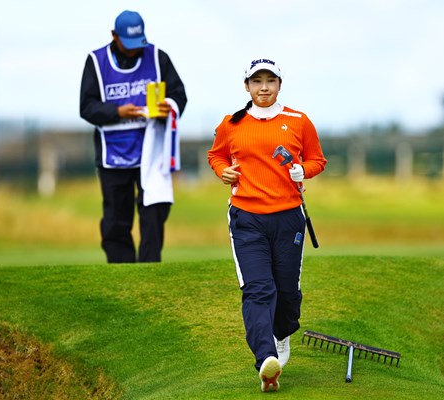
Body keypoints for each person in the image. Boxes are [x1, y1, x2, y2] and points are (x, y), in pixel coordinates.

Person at [207, 58, 327, 392]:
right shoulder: (232, 123)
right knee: (259, 289)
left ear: (279, 85)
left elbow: (318, 159)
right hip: (247, 218)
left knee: (287, 293)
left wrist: (305, 170)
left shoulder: (299, 121)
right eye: (256, 81)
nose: (263, 87)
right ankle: (265, 359)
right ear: (246, 86)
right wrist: (222, 171)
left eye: (270, 81)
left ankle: (282, 333)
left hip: (289, 217)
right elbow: (215, 155)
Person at [80, 10, 187, 263]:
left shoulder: (158, 57)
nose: (133, 51)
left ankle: (150, 268)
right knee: (116, 217)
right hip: (112, 154)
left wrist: (168, 106)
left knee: (154, 211)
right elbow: (87, 107)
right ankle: (121, 269)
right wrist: (117, 111)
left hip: (152, 152)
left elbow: (179, 95)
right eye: (127, 45)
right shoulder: (96, 61)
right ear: (114, 36)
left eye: (137, 44)